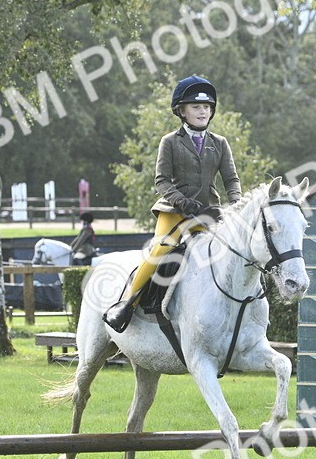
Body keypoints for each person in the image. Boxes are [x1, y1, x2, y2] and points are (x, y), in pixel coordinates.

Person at [103, 74, 241, 331]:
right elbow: (161, 181)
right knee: (160, 250)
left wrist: (236, 205)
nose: (203, 111)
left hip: (208, 213)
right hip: (175, 212)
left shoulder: (220, 143)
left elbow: (231, 179)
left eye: (206, 107)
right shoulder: (170, 141)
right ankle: (127, 305)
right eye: (196, 107)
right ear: (182, 111)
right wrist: (180, 200)